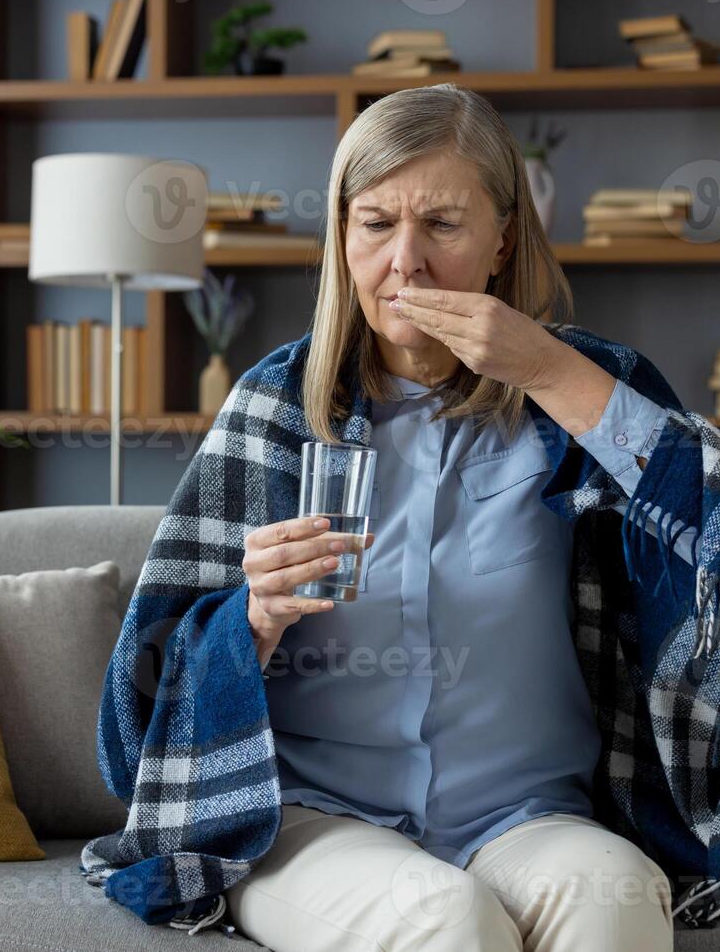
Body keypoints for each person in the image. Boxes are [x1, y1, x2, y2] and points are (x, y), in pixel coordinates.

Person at [222, 83, 677, 952]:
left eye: (441, 223)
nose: (406, 262)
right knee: (447, 917)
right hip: (319, 821)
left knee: (617, 896)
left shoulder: (580, 395)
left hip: (528, 815)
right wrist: (252, 618)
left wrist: (551, 372)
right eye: (376, 223)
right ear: (342, 238)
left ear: (503, 239)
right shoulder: (274, 411)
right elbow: (160, 670)